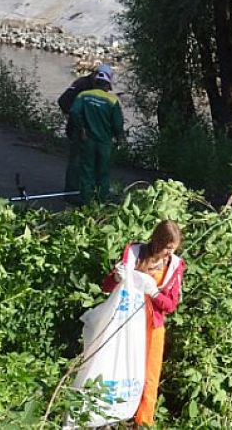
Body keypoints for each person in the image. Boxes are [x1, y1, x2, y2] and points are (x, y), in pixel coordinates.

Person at [102, 220, 186, 427]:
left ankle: (144, 421)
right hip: (125, 322)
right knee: (118, 368)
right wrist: (116, 277)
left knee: (149, 375)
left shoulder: (174, 265)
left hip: (152, 326)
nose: (169, 254)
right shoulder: (134, 254)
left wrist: (154, 292)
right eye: (167, 248)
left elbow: (170, 305)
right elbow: (106, 288)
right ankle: (109, 415)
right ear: (157, 242)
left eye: (173, 249)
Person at [67, 65, 124, 204]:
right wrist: (120, 138)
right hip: (104, 142)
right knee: (102, 173)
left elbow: (74, 112)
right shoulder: (113, 101)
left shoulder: (83, 96)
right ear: (108, 85)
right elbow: (118, 124)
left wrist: (81, 129)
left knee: (86, 172)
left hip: (87, 141)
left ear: (96, 82)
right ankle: (100, 202)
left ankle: (86, 203)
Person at [57, 65, 103, 194]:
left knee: (88, 161)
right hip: (78, 128)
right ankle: (72, 191)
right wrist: (75, 120)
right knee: (77, 160)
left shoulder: (93, 86)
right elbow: (63, 101)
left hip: (89, 130)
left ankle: (83, 189)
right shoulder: (82, 85)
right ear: (94, 76)